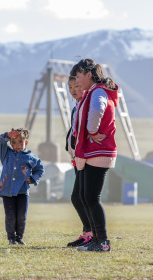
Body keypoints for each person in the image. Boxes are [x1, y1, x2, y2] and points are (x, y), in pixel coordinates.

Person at [69, 59, 119, 252]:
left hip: (99, 150)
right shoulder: (92, 91)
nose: (78, 81)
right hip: (91, 151)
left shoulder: (98, 91)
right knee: (85, 196)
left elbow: (98, 109)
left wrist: (91, 129)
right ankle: (95, 239)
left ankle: (103, 241)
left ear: (89, 74)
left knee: (91, 197)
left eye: (79, 76)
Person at [0, 128, 44, 245]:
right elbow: (0, 142)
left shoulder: (31, 157)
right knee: (10, 215)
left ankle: (19, 238)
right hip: (7, 191)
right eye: (13, 142)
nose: (17, 145)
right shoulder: (6, 153)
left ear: (26, 142)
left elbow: (39, 169)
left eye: (20, 142)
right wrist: (7, 135)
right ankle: (11, 238)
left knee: (21, 216)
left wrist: (33, 178)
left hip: (23, 191)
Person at [65, 76, 93, 247]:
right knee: (79, 197)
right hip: (77, 157)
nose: (73, 90)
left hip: (86, 157)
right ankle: (87, 233)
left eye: (76, 86)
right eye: (70, 87)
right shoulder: (76, 107)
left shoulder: (87, 105)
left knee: (80, 197)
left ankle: (92, 234)